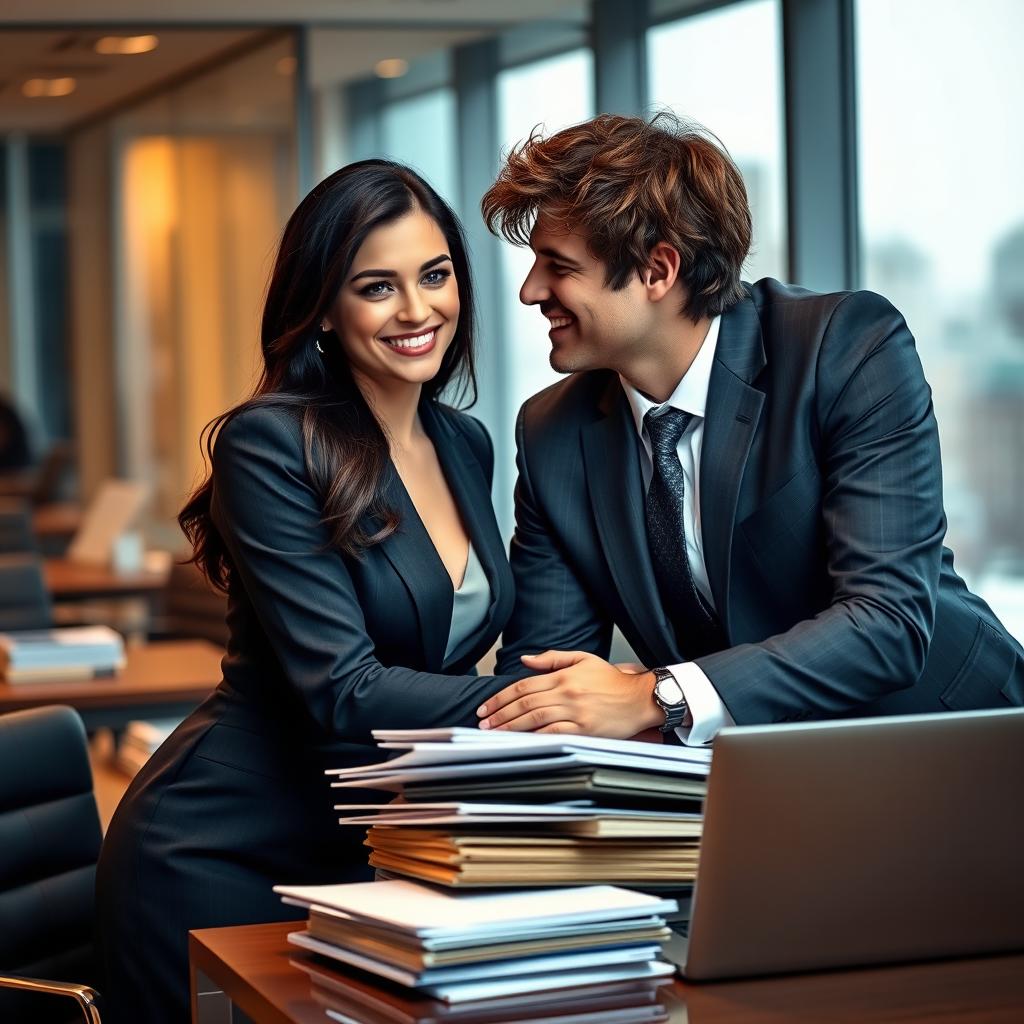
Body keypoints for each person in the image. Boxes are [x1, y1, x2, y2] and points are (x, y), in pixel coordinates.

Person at [97, 161, 542, 1023]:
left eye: (435, 275)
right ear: (326, 309)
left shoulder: (464, 443)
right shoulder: (271, 444)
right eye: (377, 287)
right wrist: (548, 707)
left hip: (369, 853)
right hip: (219, 846)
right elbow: (345, 690)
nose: (418, 311)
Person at [475, 112, 1024, 743]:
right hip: (755, 779)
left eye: (558, 266)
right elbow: (542, 682)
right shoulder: (552, 432)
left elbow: (887, 622)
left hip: (958, 740)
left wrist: (659, 696)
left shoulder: (844, 348)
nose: (528, 291)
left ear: (658, 270)